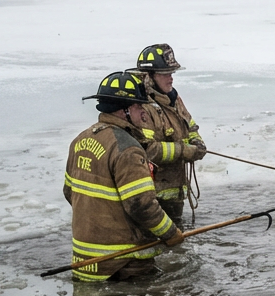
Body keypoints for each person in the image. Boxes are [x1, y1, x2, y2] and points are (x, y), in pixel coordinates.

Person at [63, 71, 184, 281]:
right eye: (138, 107)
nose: (143, 114)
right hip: (124, 264)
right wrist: (172, 234)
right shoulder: (128, 149)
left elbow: (68, 192)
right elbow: (142, 206)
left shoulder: (79, 141)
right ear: (124, 110)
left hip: (85, 262)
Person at [132, 43, 206, 229]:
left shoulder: (173, 98)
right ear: (149, 77)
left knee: (175, 242)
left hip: (175, 192)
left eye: (171, 73)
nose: (171, 78)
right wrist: (185, 151)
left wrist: (197, 142)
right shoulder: (140, 107)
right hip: (152, 197)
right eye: (165, 74)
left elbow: (189, 124)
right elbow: (147, 150)